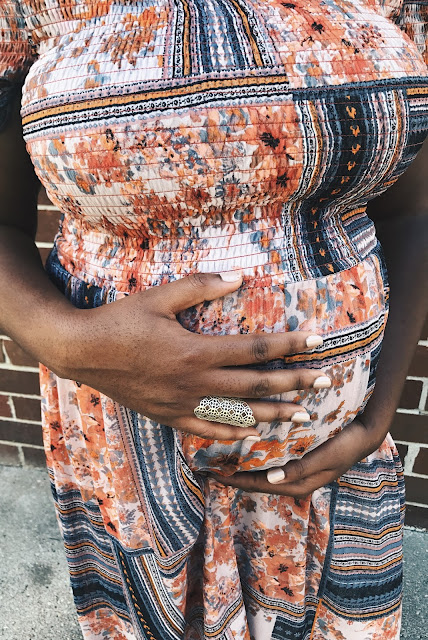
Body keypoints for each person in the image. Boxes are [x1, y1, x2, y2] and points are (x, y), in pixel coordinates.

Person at [0, 1, 427, 638]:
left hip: (332, 454)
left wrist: (379, 412)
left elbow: (410, 211)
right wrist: (65, 340)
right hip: (132, 447)